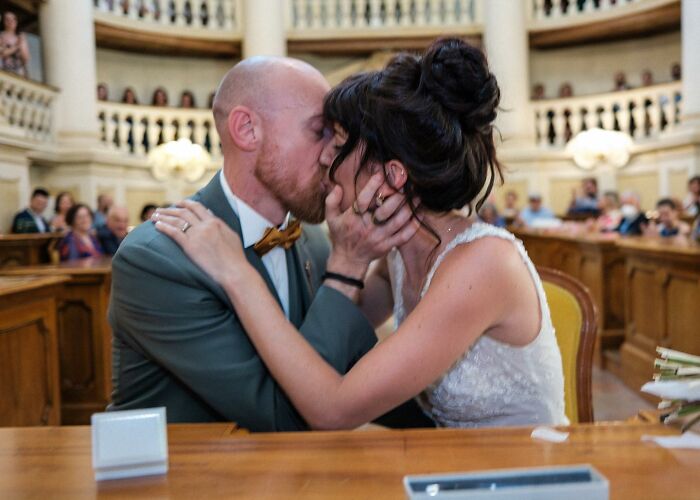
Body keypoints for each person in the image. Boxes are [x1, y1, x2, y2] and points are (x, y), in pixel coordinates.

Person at [156, 39, 568, 430]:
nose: (323, 157)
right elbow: (330, 344)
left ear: (392, 175)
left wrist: (237, 273)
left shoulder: (482, 264)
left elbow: (333, 409)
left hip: (520, 466)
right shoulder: (398, 257)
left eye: (337, 144)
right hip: (444, 459)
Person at [109, 56, 430, 430]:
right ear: (247, 130)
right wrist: (347, 268)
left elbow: (345, 369)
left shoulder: (312, 240)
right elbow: (284, 417)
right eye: (319, 131)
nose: (332, 153)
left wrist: (444, 426)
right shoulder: (157, 260)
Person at [0, 11, 30, 77]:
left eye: (13, 19)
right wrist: (17, 46)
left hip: (19, 73)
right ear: (3, 22)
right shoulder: (1, 36)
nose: (11, 21)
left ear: (16, 22)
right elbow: (2, 53)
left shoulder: (20, 37)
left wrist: (23, 41)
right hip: (4, 72)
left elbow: (26, 59)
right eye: (7, 19)